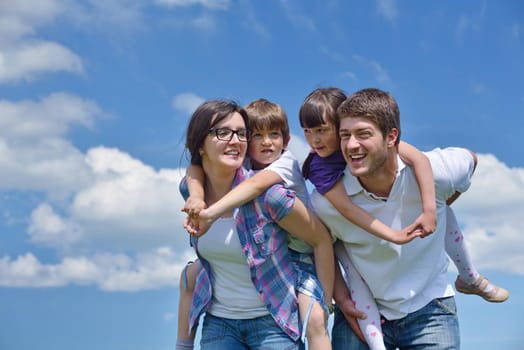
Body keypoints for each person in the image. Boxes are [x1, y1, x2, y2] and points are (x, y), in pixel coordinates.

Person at [310, 88, 508, 349]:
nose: (351, 145)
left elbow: (470, 159)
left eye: (363, 134)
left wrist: (439, 205)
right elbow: (323, 246)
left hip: (430, 309)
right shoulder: (325, 201)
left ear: (392, 137)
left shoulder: (438, 173)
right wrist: (341, 296)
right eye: (345, 135)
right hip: (364, 311)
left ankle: (471, 278)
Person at [176, 99, 334, 350]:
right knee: (190, 273)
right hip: (220, 323)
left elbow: (321, 238)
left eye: (240, 133)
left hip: (272, 323)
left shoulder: (271, 195)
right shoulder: (192, 191)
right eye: (223, 132)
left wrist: (325, 302)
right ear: (200, 144)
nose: (235, 140)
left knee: (316, 321)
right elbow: (192, 173)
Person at [299, 87, 438, 350]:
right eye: (307, 131)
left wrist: (429, 209)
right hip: (343, 238)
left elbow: (418, 158)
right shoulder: (320, 167)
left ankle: (471, 275)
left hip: (411, 281)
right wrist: (394, 234)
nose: (314, 140)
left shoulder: (362, 141)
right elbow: (348, 211)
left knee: (445, 213)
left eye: (321, 130)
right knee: (357, 286)